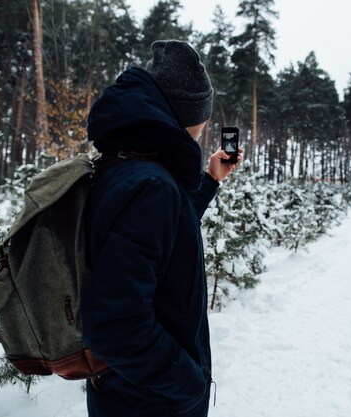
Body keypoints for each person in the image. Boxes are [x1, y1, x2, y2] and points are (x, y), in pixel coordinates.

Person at [82, 39, 240, 417]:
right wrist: (188, 384)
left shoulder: (128, 167)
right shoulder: (151, 186)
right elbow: (115, 324)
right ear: (187, 115)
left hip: (127, 394)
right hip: (151, 403)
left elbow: (167, 233)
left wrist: (212, 180)